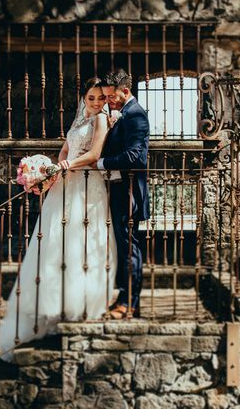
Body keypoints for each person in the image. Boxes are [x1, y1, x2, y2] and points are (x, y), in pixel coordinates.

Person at [0, 77, 117, 392]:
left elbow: (94, 154)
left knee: (80, 242)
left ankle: (80, 303)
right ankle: (54, 302)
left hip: (87, 183)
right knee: (55, 245)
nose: (96, 103)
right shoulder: (80, 119)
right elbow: (65, 148)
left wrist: (65, 167)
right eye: (92, 98)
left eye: (101, 98)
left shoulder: (101, 119)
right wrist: (47, 173)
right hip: (65, 183)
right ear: (83, 98)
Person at [97, 69, 150, 319]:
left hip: (128, 191)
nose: (108, 101)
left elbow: (135, 156)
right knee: (123, 247)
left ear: (125, 91)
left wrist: (102, 163)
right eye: (106, 97)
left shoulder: (136, 115)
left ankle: (130, 304)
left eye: (111, 96)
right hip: (118, 189)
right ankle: (124, 299)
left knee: (130, 249)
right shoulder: (123, 113)